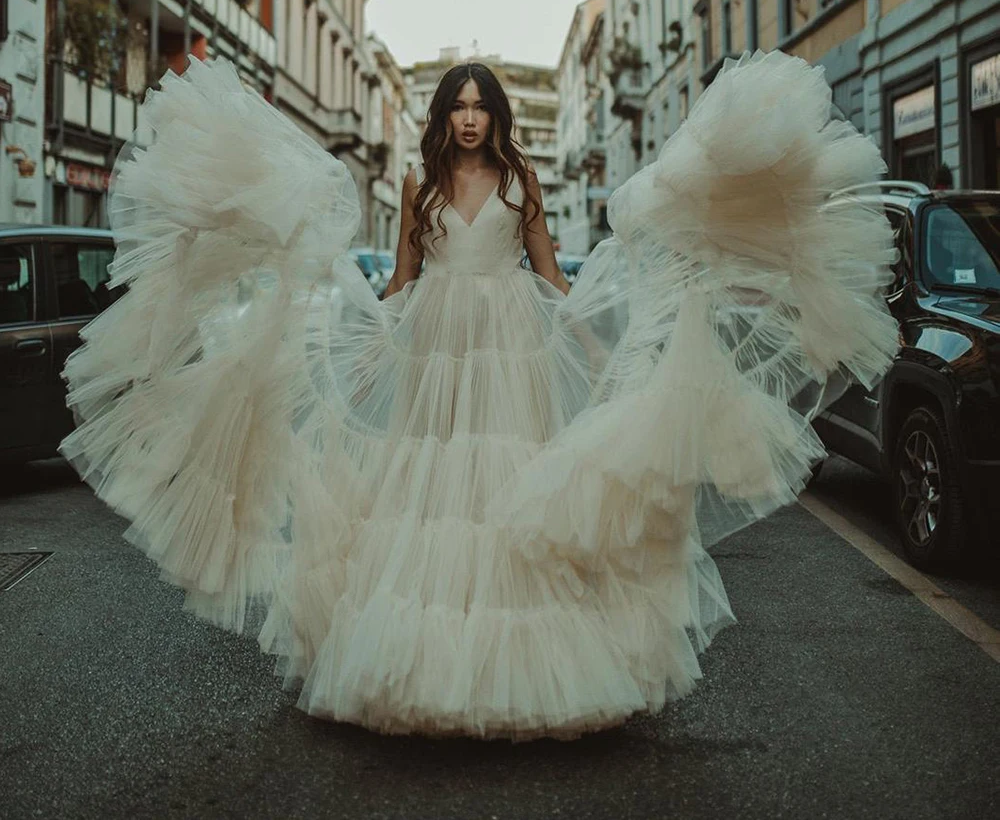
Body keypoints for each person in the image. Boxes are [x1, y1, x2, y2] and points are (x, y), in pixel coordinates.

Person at [59, 50, 900, 740]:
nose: (468, 118)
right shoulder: (418, 192)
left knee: (509, 493)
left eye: (480, 107)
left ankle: (539, 676)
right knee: (426, 499)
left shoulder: (520, 185)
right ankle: (426, 671)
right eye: (457, 106)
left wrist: (607, 344)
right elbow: (396, 284)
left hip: (509, 359)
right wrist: (341, 326)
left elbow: (553, 282)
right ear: (443, 116)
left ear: (498, 116)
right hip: (435, 362)